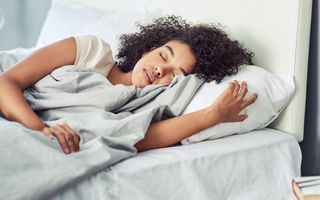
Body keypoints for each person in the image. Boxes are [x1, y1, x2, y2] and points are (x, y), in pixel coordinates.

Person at [0, 15, 257, 154]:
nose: (160, 69)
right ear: (148, 49)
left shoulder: (143, 104)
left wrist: (214, 114)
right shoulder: (92, 50)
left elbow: (137, 137)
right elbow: (7, 81)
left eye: (174, 74)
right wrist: (41, 131)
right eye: (163, 56)